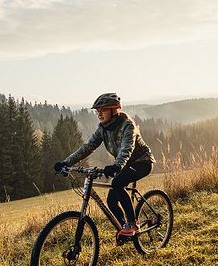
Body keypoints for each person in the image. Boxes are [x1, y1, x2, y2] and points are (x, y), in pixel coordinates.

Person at [54, 93, 155, 237]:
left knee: (117, 183)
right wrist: (66, 162)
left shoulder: (128, 125)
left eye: (103, 110)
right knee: (111, 201)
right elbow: (88, 147)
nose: (99, 114)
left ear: (114, 110)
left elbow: (127, 148)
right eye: (97, 111)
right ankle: (123, 229)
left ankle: (133, 223)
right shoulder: (103, 128)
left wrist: (117, 166)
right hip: (125, 165)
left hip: (142, 162)